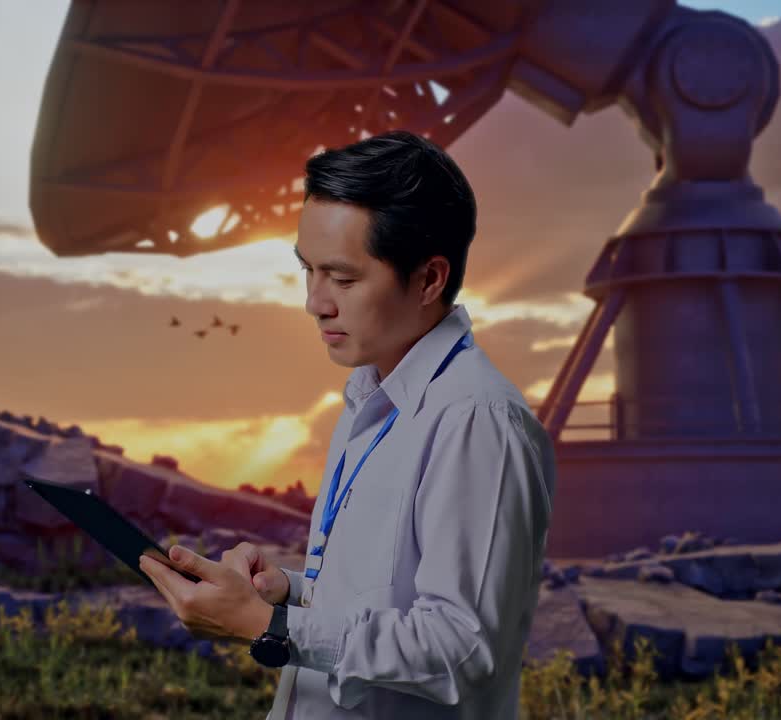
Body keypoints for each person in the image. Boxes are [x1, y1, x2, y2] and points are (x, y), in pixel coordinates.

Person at [140, 130, 557, 718]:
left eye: (343, 277)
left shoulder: (476, 422)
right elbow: (387, 601)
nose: (315, 302)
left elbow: (460, 651)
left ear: (430, 279)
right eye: (307, 270)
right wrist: (284, 591)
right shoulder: (371, 398)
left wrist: (268, 625)